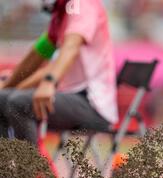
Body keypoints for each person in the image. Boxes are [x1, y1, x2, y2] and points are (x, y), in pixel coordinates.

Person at [0, 0, 118, 145]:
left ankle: (30, 166)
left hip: (92, 104)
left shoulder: (82, 4)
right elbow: (36, 58)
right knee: (2, 98)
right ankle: (7, 165)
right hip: (70, 96)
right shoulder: (60, 16)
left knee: (19, 103)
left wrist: (49, 82)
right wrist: (8, 84)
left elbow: (71, 46)